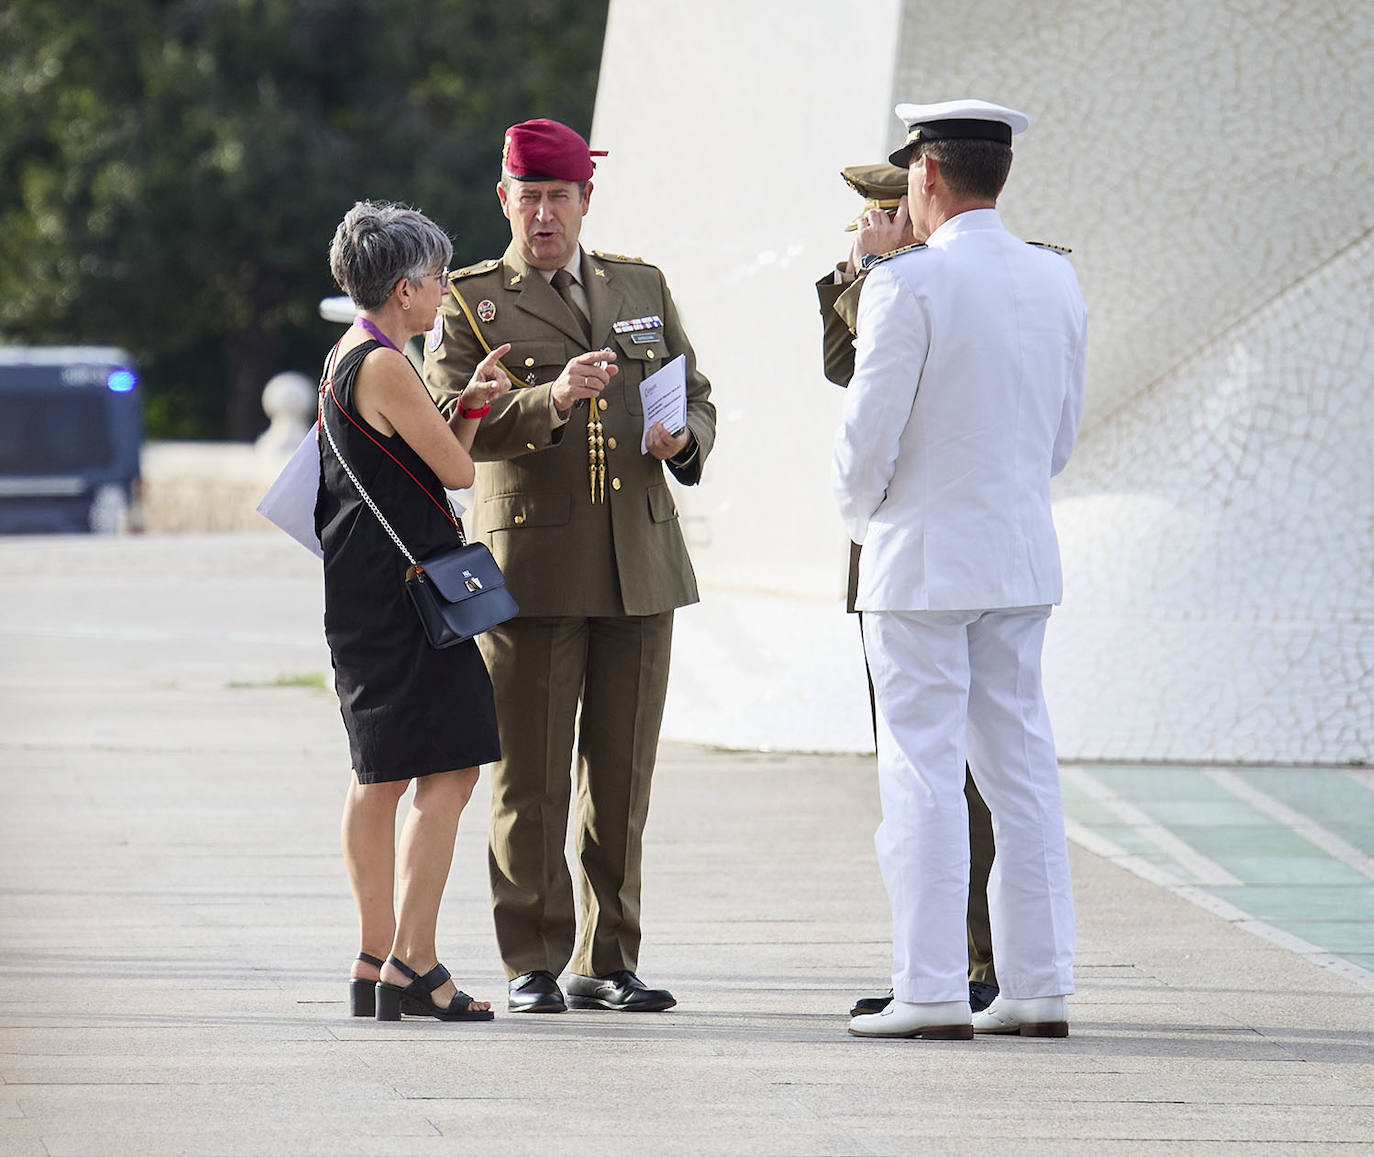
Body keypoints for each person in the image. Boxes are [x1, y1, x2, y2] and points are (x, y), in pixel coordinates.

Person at [424, 119, 715, 1014]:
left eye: (560, 195)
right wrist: (546, 397)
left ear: (586, 199)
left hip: (639, 562)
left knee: (621, 777)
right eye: (529, 196)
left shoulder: (640, 283)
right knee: (533, 776)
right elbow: (446, 419)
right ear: (503, 200)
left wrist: (683, 436)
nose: (544, 213)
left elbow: (695, 393)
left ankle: (608, 955)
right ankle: (534, 957)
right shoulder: (471, 300)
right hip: (534, 565)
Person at [833, 100, 1087, 1040]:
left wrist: (869, 520)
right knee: (1021, 772)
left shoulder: (909, 285)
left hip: (923, 564)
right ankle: (1038, 984)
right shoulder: (1056, 280)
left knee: (923, 773)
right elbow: (1059, 438)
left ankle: (932, 987)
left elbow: (867, 439)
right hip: (1019, 557)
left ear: (926, 176)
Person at [318, 200, 514, 1022]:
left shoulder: (345, 354)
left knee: (379, 774)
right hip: (408, 596)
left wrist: (461, 400)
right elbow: (460, 473)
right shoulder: (391, 364)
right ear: (405, 287)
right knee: (453, 770)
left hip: (362, 586)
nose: (442, 293)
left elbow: (414, 456)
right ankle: (415, 958)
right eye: (436, 279)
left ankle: (374, 955)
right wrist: (470, 407)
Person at [818, 163, 999, 1020]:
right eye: (872, 216)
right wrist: (862, 277)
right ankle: (931, 964)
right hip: (906, 558)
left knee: (972, 772)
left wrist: (883, 277)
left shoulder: (964, 281)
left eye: (894, 209)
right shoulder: (888, 282)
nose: (881, 225)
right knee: (917, 774)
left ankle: (976, 961)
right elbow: (846, 371)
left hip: (938, 554)